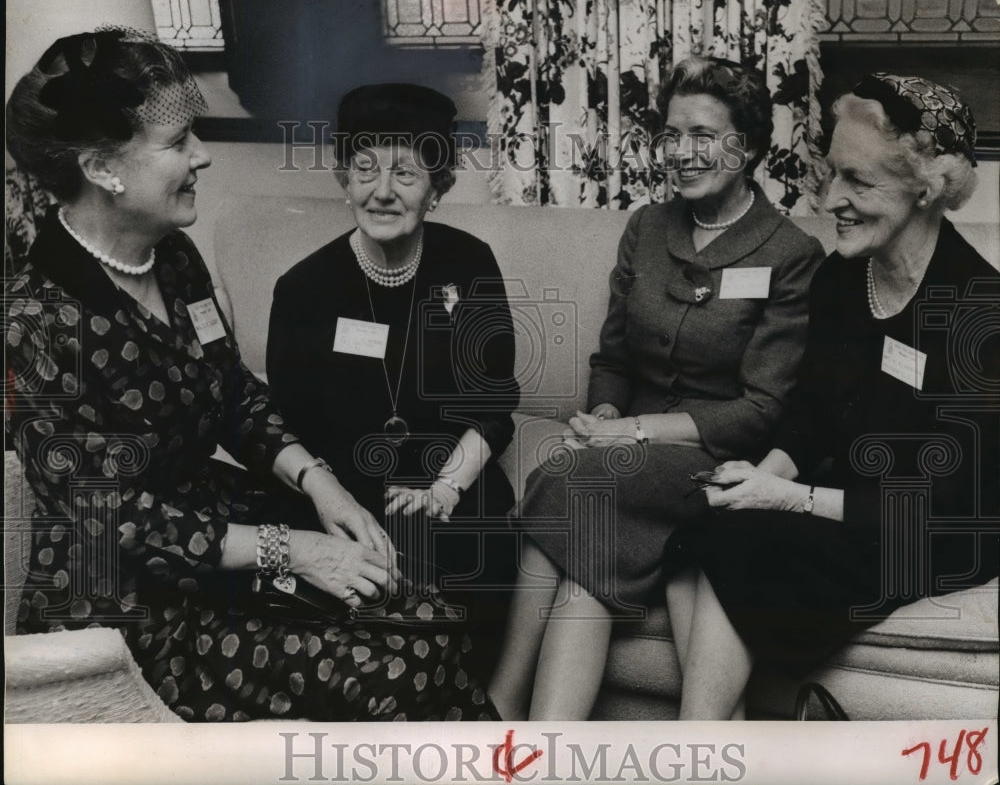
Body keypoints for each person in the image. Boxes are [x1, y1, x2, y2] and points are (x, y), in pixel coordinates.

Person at [4, 27, 496, 721]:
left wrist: (322, 486)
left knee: (429, 614)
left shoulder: (172, 257)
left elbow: (233, 391)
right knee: (404, 664)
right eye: (177, 145)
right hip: (130, 599)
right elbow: (108, 516)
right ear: (102, 167)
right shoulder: (34, 320)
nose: (202, 156)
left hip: (225, 530)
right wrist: (294, 549)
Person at [488, 56, 826, 720]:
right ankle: (547, 740)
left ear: (749, 145)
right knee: (588, 552)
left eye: (702, 134)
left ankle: (500, 700)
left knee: (568, 477)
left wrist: (629, 430)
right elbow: (612, 356)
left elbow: (761, 412)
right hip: (625, 463)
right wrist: (607, 408)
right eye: (671, 134)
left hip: (712, 460)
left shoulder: (790, 254)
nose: (681, 152)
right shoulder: (646, 228)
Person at [663, 73, 1000, 719]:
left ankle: (694, 744)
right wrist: (761, 480)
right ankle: (716, 739)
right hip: (846, 500)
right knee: (699, 530)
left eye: (858, 180)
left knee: (741, 545)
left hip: (931, 528)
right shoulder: (841, 277)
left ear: (926, 187)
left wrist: (786, 496)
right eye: (831, 174)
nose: (830, 198)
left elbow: (937, 501)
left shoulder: (979, 311)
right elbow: (813, 415)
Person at [266, 83, 520, 678]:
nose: (382, 191)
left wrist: (446, 489)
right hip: (342, 499)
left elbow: (495, 406)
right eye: (365, 169)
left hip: (449, 487)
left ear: (438, 187)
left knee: (476, 558)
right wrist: (342, 505)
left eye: (406, 173)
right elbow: (281, 425)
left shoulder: (470, 263)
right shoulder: (303, 289)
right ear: (342, 179)